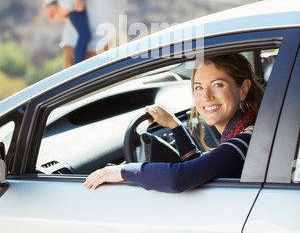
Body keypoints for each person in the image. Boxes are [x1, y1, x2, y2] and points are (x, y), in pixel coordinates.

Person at [83, 53, 265, 193]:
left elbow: (179, 178)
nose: (206, 97)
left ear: (243, 90)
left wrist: (122, 171)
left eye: (218, 85)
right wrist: (175, 126)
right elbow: (202, 170)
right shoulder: (246, 131)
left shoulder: (246, 142)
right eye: (199, 87)